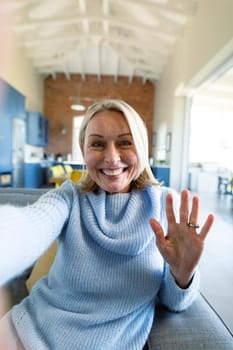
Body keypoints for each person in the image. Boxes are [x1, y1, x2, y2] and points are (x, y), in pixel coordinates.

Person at [0, 99, 214, 349]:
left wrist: (183, 272)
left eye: (125, 142)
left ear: (142, 148)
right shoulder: (70, 197)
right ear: (84, 150)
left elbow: (175, 303)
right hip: (23, 331)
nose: (112, 158)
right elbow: (27, 228)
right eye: (97, 144)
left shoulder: (166, 204)